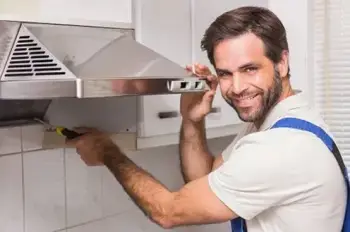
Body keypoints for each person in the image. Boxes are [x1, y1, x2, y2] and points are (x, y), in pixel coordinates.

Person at [66, 6, 347, 232]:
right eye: (225, 73)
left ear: (282, 63)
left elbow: (168, 211)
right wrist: (192, 120)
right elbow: (205, 177)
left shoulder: (281, 147)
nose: (236, 88)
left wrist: (106, 151)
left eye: (249, 69)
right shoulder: (278, 121)